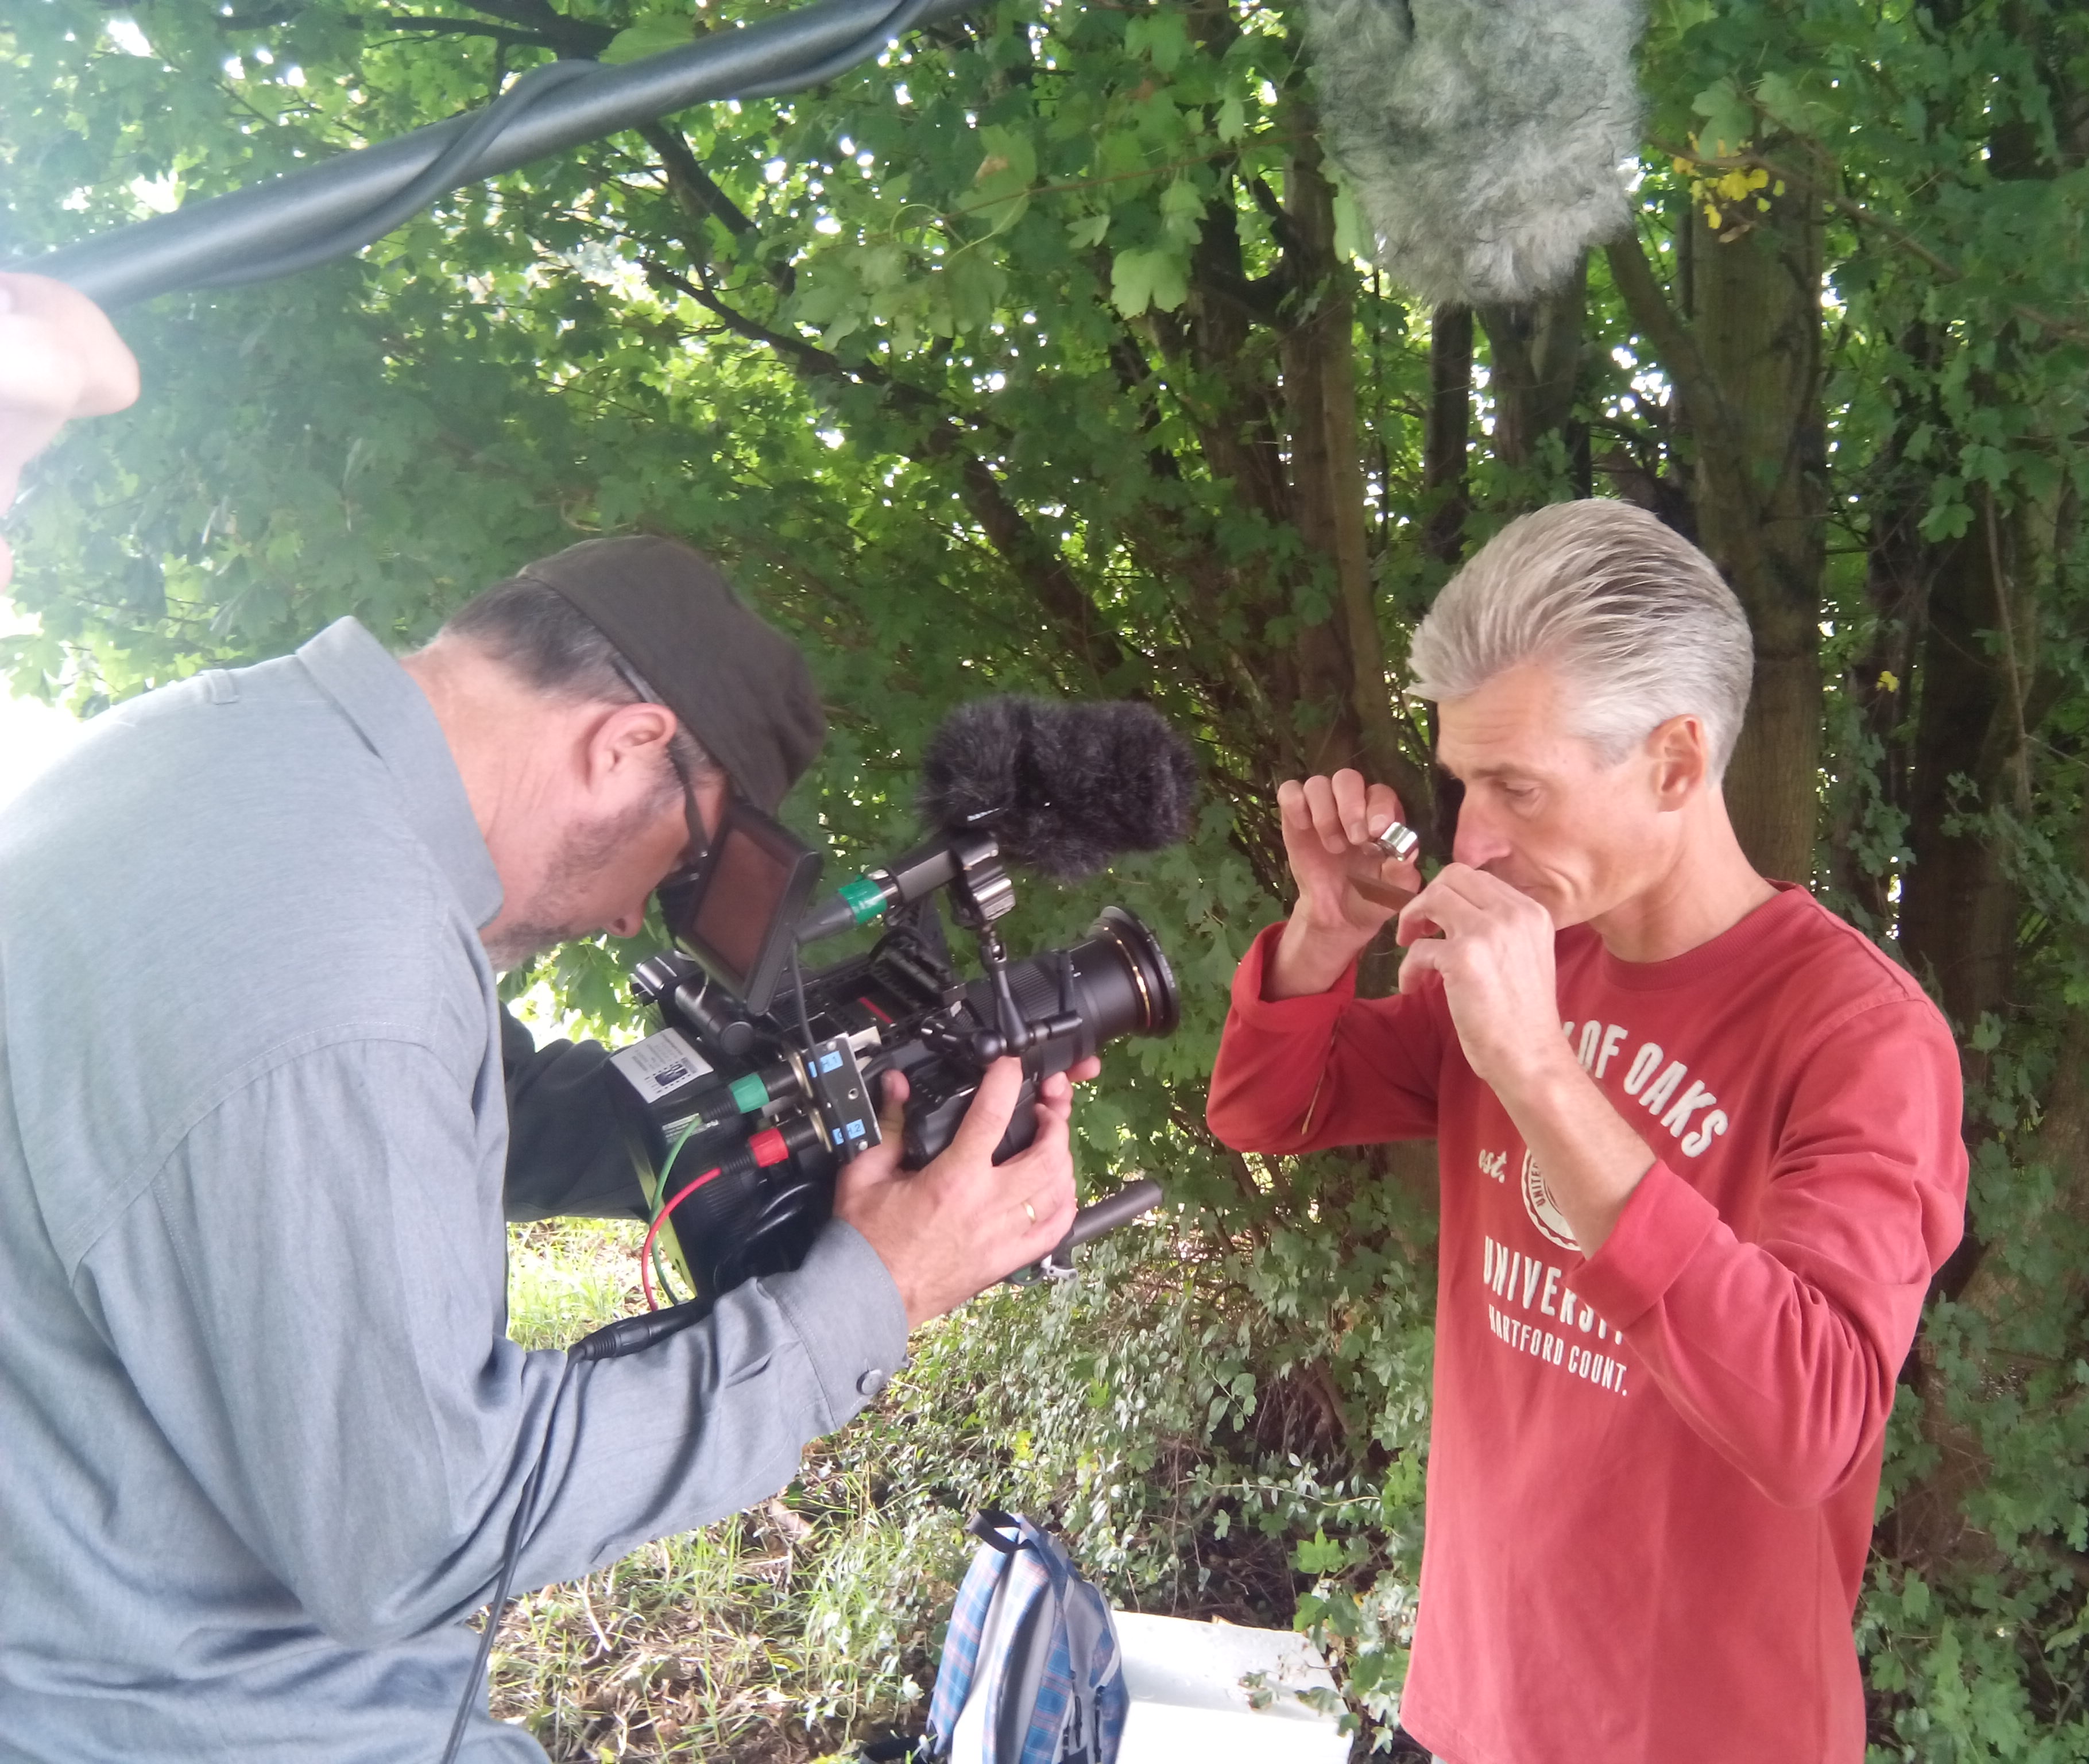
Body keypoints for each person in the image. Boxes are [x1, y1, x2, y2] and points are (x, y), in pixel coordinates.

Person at [0, 270, 1090, 1762]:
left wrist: (725, 1113)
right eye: (683, 861)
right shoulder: (348, 971)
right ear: (626, 745)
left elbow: (428, 1117)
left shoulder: (229, 760)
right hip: (203, 1715)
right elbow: (423, 1527)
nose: (644, 915)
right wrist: (871, 1297)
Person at [1206, 500, 1968, 1763]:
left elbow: (1813, 1422)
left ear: (1674, 763)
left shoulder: (1858, 1036)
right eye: (1463, 785)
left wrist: (1542, 1074)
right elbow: (1267, 1108)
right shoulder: (1531, 950)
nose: (1475, 841)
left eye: (1518, 787)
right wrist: (1325, 936)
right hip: (1479, 1695)